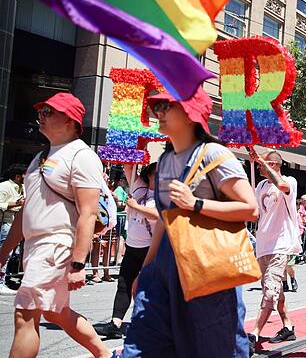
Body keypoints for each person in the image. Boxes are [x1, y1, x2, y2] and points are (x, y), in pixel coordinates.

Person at [121, 87, 258, 357]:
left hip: (206, 270)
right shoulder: (166, 161)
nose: (157, 112)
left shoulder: (215, 155)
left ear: (191, 114)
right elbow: (165, 219)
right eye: (156, 107)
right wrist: (146, 270)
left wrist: (195, 203)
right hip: (163, 269)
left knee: (213, 350)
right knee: (141, 348)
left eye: (166, 107)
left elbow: (250, 209)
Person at [0, 93, 110, 357]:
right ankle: (104, 355)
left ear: (71, 120)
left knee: (25, 314)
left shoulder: (82, 155)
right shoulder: (39, 157)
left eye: (49, 112)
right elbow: (27, 210)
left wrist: (78, 264)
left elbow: (87, 213)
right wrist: (3, 253)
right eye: (41, 111)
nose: (41, 115)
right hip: (36, 246)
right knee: (56, 312)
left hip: (56, 245)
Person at [94, 162, 158, 340]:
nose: (159, 177)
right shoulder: (139, 187)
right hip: (132, 246)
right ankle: (115, 323)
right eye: (155, 173)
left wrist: (134, 205)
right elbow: (129, 168)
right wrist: (137, 149)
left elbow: (157, 215)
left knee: (146, 288)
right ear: (149, 175)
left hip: (151, 249)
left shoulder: (165, 196)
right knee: (123, 284)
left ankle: (149, 324)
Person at [249, 148, 302, 349]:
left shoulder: (290, 181)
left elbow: (281, 184)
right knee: (274, 290)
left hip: (281, 245)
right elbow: (254, 212)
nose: (260, 168)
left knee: (270, 292)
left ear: (274, 165)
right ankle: (287, 326)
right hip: (263, 246)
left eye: (264, 164)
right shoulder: (261, 185)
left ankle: (254, 334)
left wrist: (262, 161)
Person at [0, 164, 25, 296]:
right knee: (5, 252)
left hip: (19, 222)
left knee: (14, 254)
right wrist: (16, 204)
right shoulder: (4, 186)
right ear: (17, 176)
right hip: (7, 222)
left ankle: (6, 278)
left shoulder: (23, 188)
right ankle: (0, 282)